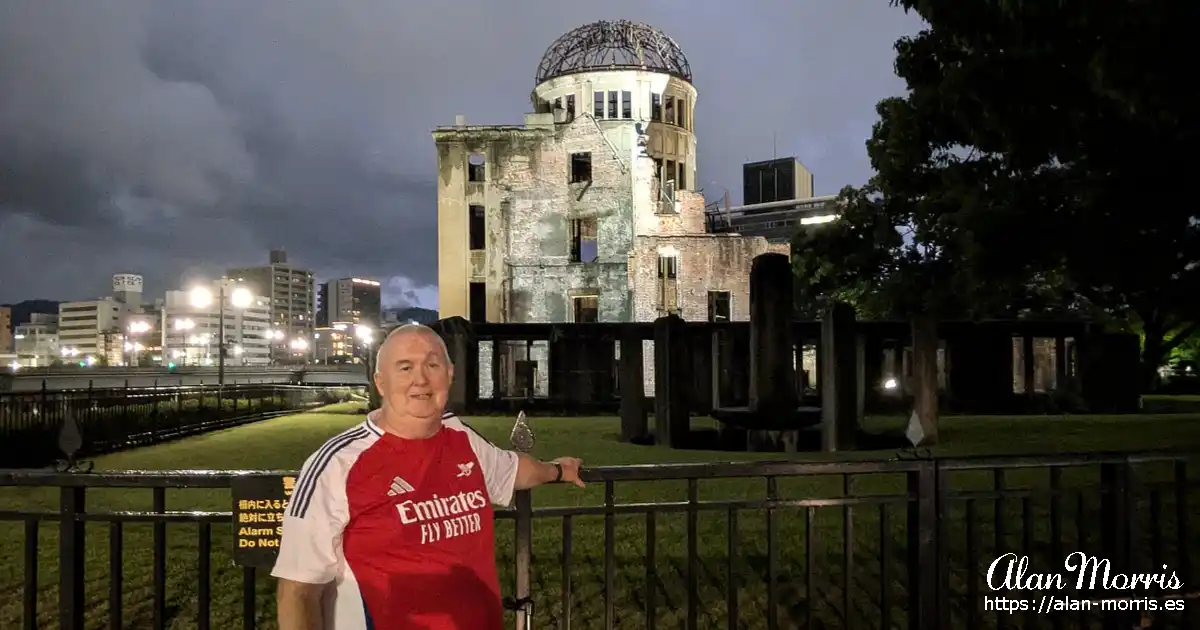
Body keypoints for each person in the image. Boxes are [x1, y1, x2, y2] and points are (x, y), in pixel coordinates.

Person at [271, 323, 585, 630]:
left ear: (449, 375)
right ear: (381, 383)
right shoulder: (338, 463)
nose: (420, 379)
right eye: (405, 368)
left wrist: (558, 470)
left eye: (432, 365)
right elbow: (298, 590)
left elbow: (513, 469)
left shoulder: (461, 437)